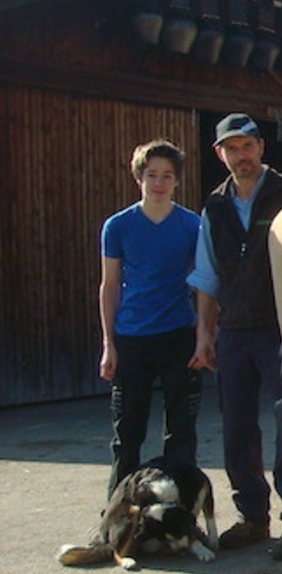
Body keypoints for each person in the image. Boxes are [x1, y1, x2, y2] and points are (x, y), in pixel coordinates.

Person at [188, 113, 282, 560]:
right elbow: (206, 276)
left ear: (261, 147)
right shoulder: (215, 206)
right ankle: (252, 517)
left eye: (247, 146)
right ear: (219, 154)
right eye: (231, 149)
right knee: (236, 427)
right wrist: (205, 335)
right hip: (235, 331)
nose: (240, 156)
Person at [99, 139, 203, 500]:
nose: (159, 183)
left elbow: (206, 284)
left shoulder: (192, 226)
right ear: (139, 178)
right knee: (127, 431)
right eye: (152, 175)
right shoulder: (118, 226)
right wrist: (109, 345)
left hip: (178, 335)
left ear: (177, 181)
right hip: (132, 337)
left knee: (181, 431)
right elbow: (110, 285)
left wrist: (205, 336)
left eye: (167, 176)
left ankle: (182, 509)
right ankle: (116, 514)